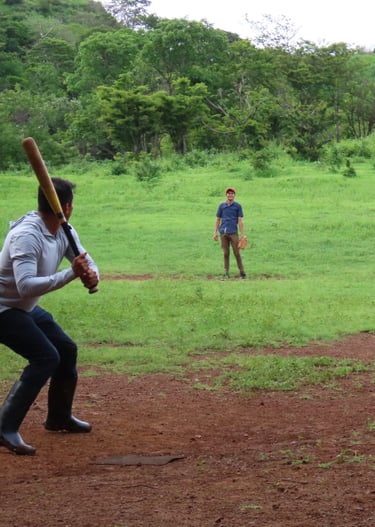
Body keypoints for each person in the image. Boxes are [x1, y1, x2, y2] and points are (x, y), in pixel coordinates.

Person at [0, 177, 99, 456]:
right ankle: (4, 426)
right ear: (67, 207)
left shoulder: (62, 230)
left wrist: (91, 276)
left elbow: (86, 262)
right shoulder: (27, 235)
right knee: (46, 356)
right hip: (4, 308)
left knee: (65, 349)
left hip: (24, 307)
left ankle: (58, 417)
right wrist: (71, 274)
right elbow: (25, 285)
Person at [213, 187, 246, 280]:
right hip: (223, 232)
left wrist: (242, 235)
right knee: (226, 253)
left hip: (233, 232)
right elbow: (217, 219)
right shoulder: (222, 206)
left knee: (237, 253)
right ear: (226, 195)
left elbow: (240, 220)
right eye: (229, 193)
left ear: (234, 195)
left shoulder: (237, 206)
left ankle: (242, 273)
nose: (230, 195)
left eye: (232, 193)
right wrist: (215, 232)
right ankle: (226, 273)